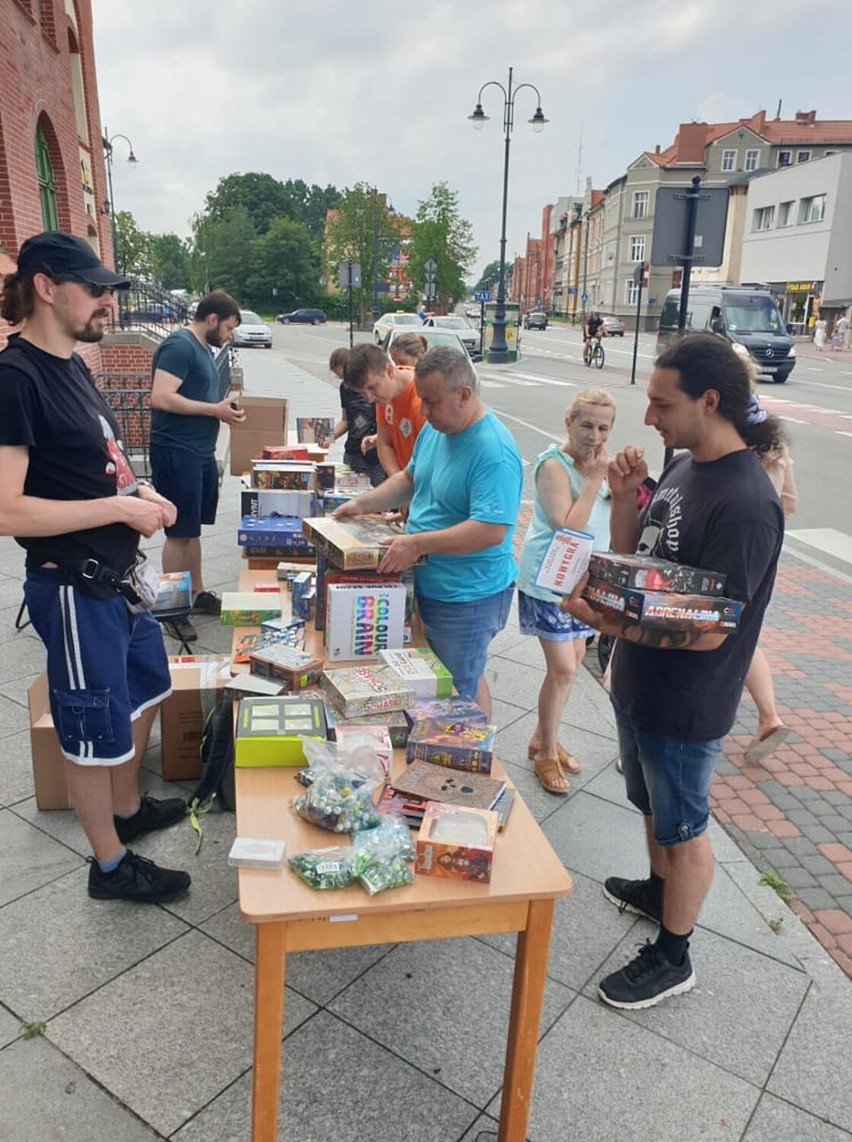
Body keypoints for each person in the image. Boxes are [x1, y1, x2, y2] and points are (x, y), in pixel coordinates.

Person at [562, 333, 784, 1010]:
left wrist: (606, 623)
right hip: (639, 685)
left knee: (683, 830)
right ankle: (659, 896)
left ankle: (674, 953)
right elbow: (639, 568)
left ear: (709, 401)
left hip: (687, 703)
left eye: (662, 403)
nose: (649, 417)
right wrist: (626, 499)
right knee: (652, 807)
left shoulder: (747, 504)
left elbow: (710, 634)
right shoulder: (686, 466)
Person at [0, 231, 191, 903]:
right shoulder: (16, 377)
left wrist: (137, 494)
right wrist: (116, 507)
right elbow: (8, 511)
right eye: (96, 288)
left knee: (145, 689)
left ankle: (127, 812)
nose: (108, 301)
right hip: (74, 586)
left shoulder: (74, 364)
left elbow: (95, 462)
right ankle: (108, 867)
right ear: (47, 288)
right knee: (90, 728)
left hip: (117, 576)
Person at [333, 346, 522, 718]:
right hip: (431, 581)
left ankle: (468, 759)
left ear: (464, 395)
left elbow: (490, 530)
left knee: (455, 693)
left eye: (432, 403)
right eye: (421, 400)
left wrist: (416, 543)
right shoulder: (437, 430)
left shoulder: (493, 451)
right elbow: (410, 479)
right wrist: (362, 504)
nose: (423, 411)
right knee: (456, 678)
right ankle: (478, 749)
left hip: (467, 596)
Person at [516, 390, 615, 794]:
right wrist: (593, 480)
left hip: (586, 580)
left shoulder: (603, 464)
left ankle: (544, 738)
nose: (594, 435)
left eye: (603, 427)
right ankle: (543, 754)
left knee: (572, 660)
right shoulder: (552, 465)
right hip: (550, 580)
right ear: (568, 421)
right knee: (565, 669)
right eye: (587, 424)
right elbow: (567, 527)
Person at [149, 290, 244, 643]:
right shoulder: (179, 345)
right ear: (213, 319)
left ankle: (198, 592)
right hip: (177, 450)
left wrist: (223, 408)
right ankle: (171, 609)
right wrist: (213, 410)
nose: (230, 335)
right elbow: (161, 397)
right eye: (229, 327)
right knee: (178, 531)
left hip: (198, 450)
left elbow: (195, 396)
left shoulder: (202, 348)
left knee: (193, 528)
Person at [743, 387, 798, 762]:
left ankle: (767, 716)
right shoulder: (776, 448)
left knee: (732, 635)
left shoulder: (730, 445)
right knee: (746, 634)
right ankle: (768, 715)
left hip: (730, 547)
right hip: (765, 551)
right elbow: (790, 503)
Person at [343, 341, 427, 477]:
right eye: (363, 393)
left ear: (388, 371)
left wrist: (405, 487)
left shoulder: (422, 400)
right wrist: (398, 481)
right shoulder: (384, 396)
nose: (370, 398)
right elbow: (384, 444)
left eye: (372, 387)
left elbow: (432, 459)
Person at [329, 347, 384, 486]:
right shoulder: (345, 388)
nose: (346, 381)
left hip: (376, 455)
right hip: (354, 451)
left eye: (344, 376)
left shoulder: (376, 386)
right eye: (341, 378)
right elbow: (346, 420)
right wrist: (329, 437)